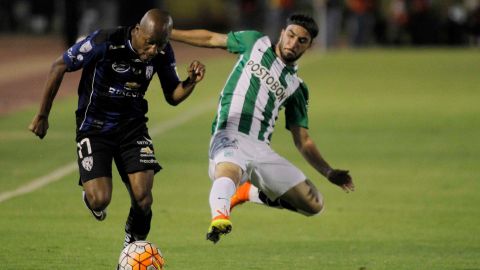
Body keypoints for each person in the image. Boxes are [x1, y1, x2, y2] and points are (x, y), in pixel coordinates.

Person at [171, 14, 354, 244]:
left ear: (309, 46)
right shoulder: (255, 43)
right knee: (229, 170)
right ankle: (220, 216)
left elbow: (302, 140)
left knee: (314, 203)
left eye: (302, 40)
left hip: (260, 150)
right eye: (291, 35)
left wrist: (328, 172)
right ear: (282, 33)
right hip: (230, 133)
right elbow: (210, 38)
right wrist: (168, 33)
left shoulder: (297, 87)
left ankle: (247, 192)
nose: (293, 43)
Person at [28, 9, 205, 247]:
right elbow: (59, 65)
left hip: (133, 128)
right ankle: (91, 198)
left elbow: (172, 96)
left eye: (160, 45)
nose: (153, 50)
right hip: (94, 127)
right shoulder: (104, 41)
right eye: (150, 43)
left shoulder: (161, 52)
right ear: (138, 30)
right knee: (100, 199)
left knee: (143, 198)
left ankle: (132, 249)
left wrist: (190, 82)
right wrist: (42, 115)